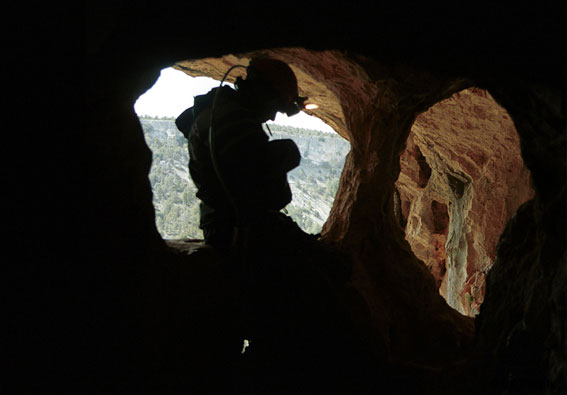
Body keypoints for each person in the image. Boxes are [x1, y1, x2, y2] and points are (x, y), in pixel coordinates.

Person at [175, 57, 311, 251]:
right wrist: (287, 153)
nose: (272, 117)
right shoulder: (233, 121)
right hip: (239, 232)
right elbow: (262, 191)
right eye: (275, 106)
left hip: (222, 224)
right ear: (263, 94)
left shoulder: (215, 112)